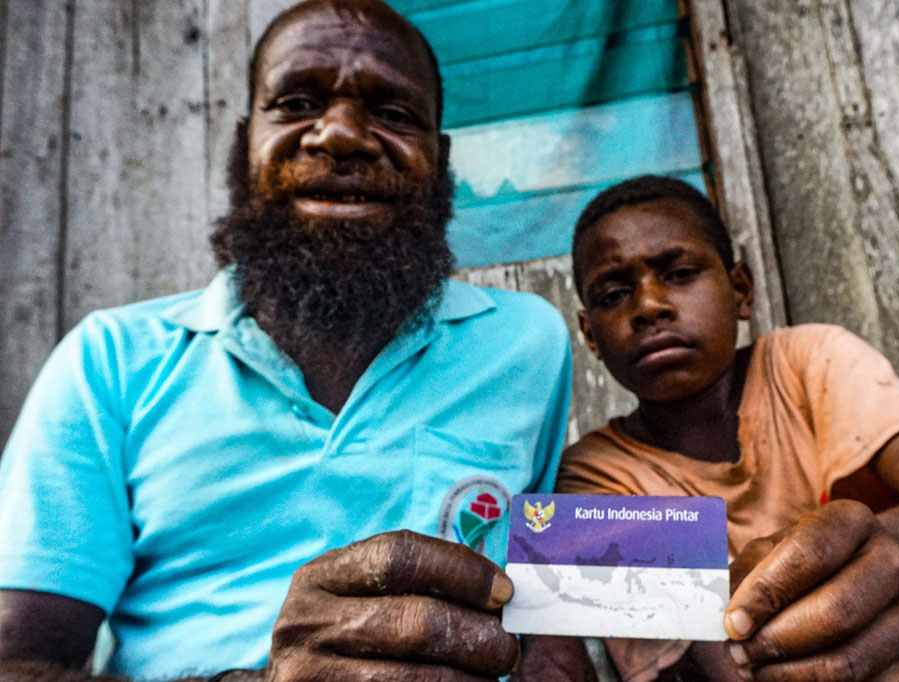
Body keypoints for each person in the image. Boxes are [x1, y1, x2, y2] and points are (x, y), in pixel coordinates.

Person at [0, 1, 593, 680]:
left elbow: (545, 584)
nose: (341, 135)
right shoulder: (109, 362)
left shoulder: (526, 343)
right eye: (298, 102)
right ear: (245, 142)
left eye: (395, 114)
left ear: (442, 157)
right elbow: (17, 662)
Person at [557, 175, 899, 682]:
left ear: (741, 290)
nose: (648, 306)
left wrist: (886, 560)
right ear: (590, 336)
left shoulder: (807, 363)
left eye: (681, 273)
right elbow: (696, 658)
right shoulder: (592, 477)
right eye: (612, 294)